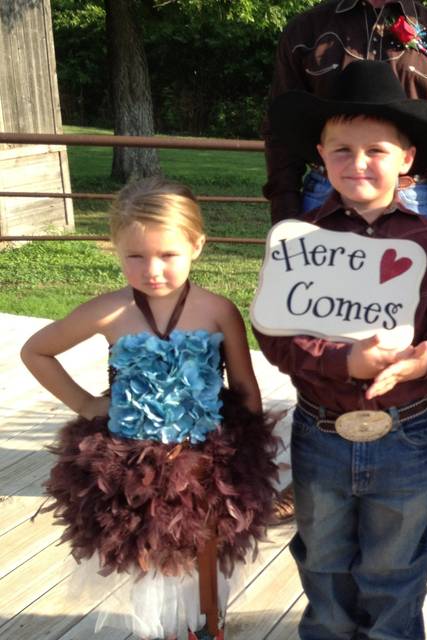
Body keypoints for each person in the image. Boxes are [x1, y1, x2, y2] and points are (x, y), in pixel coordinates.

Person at [257, 60, 427, 640]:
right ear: (320, 153)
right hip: (321, 428)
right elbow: (273, 329)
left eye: (377, 150)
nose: (358, 163)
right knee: (322, 554)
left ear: (407, 159)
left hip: (404, 430)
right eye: (342, 149)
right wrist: (339, 362)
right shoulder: (301, 238)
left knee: (395, 559)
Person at [20, 178, 279, 640]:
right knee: (153, 565)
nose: (151, 270)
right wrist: (85, 403)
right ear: (115, 250)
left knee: (205, 553)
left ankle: (207, 625)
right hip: (135, 465)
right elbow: (36, 350)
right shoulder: (108, 311)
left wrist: (249, 455)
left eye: (167, 255)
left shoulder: (218, 310)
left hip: (207, 459)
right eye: (134, 256)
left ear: (197, 246)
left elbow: (243, 385)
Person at [263, 0, 427, 250]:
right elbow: (281, 130)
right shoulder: (306, 30)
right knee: (315, 287)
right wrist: (286, 217)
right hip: (325, 191)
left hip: (410, 194)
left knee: (415, 288)